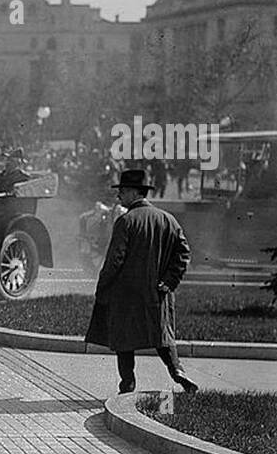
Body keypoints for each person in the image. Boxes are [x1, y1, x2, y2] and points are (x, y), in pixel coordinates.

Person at [84, 168, 199, 395]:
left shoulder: (125, 221)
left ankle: (127, 384)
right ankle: (177, 371)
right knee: (162, 335)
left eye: (123, 191)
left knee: (124, 340)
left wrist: (102, 286)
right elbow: (183, 254)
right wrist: (169, 282)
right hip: (158, 293)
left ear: (135, 192)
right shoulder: (168, 220)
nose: (119, 197)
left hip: (126, 294)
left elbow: (114, 260)